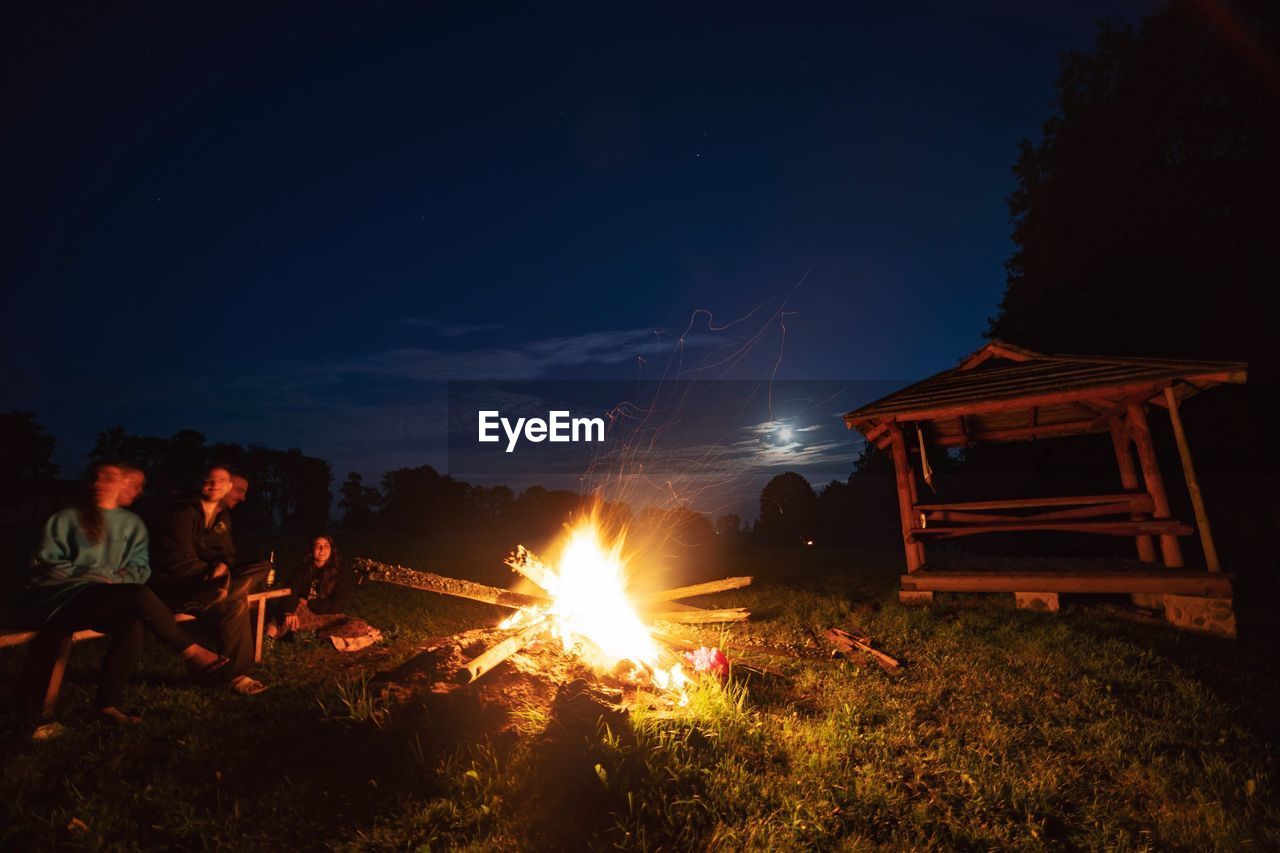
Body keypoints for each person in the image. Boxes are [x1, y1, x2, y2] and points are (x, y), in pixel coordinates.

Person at [14, 463, 230, 724]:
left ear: (122, 483)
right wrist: (95, 576)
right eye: (97, 477)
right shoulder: (66, 517)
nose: (100, 483)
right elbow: (45, 565)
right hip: (60, 599)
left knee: (132, 622)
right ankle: (193, 652)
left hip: (108, 596)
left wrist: (112, 579)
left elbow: (140, 568)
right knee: (136, 595)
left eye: (110, 478)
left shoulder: (131, 523)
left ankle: (106, 706)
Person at [149, 466, 268, 695]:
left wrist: (222, 565)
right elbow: (178, 561)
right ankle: (236, 675)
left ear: (227, 486)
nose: (214, 485)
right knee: (235, 601)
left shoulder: (223, 516)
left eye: (220, 481)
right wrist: (210, 574)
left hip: (212, 583)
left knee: (262, 566)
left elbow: (227, 553)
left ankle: (219, 593)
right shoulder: (182, 512)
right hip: (180, 584)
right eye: (209, 480)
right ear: (201, 483)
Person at [269, 535, 379, 651]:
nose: (322, 550)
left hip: (329, 617)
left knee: (360, 626)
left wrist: (309, 603)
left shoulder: (340, 573)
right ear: (311, 551)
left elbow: (339, 604)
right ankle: (268, 639)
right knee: (287, 616)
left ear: (331, 550)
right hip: (307, 615)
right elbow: (290, 591)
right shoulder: (303, 570)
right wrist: (289, 612)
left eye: (326, 546)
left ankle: (312, 635)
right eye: (318, 546)